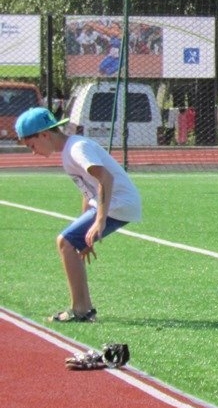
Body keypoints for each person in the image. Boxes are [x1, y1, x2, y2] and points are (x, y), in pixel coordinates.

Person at [16, 106, 142, 323]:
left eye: (32, 145)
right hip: (111, 203)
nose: (33, 152)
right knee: (70, 243)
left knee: (64, 242)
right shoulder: (69, 151)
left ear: (44, 135)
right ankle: (84, 309)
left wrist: (100, 220)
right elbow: (88, 191)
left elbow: (106, 179)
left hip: (119, 204)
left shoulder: (77, 148)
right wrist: (84, 232)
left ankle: (80, 309)